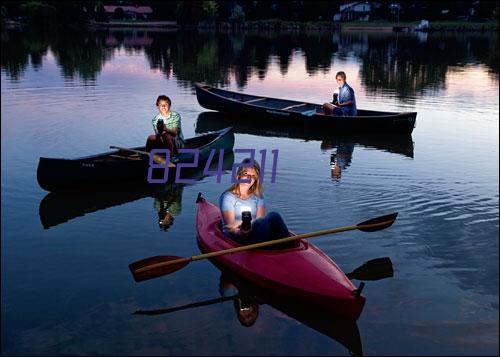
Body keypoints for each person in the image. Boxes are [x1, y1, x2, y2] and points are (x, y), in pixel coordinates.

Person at [219, 158, 292, 247]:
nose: (249, 178)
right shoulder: (228, 197)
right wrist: (243, 231)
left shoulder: (258, 196)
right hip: (236, 237)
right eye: (246, 174)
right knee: (272, 217)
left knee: (273, 217)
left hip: (253, 233)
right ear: (239, 175)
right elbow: (230, 227)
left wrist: (250, 228)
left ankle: (290, 248)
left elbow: (260, 221)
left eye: (253, 176)